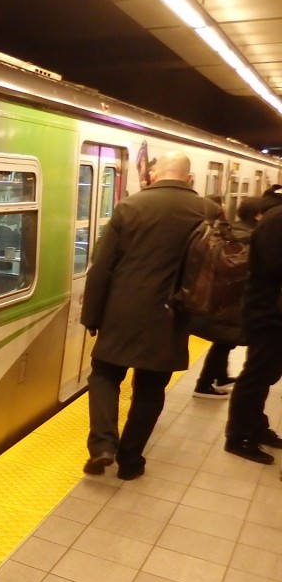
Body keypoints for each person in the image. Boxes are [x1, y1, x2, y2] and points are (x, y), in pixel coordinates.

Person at [81, 151, 219, 480]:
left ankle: (103, 445)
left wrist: (92, 316)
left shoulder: (130, 207)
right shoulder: (208, 211)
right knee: (150, 390)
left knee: (104, 375)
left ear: (154, 174)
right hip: (172, 316)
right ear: (189, 179)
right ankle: (130, 461)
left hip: (122, 311)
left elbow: (102, 268)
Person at [223, 188, 282, 463]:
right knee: (256, 376)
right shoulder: (277, 219)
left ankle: (256, 426)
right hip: (267, 313)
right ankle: (238, 436)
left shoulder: (274, 216)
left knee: (265, 375)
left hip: (271, 311)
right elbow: (273, 266)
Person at [189, 196, 266, 398]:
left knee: (225, 341)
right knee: (226, 340)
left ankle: (219, 377)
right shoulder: (253, 237)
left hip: (223, 299)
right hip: (233, 301)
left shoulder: (234, 230)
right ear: (258, 215)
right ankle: (204, 384)